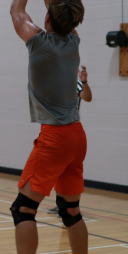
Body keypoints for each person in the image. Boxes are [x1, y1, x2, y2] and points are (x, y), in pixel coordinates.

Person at [9, 0, 97, 254]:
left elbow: (16, 10)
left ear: (47, 18)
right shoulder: (73, 40)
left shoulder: (37, 42)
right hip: (77, 137)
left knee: (23, 210)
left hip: (55, 139)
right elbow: (58, 10)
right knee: (71, 210)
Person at [47, 66, 92, 215]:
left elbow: (88, 97)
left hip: (70, 130)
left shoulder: (76, 83)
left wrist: (84, 82)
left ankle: (69, 207)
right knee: (58, 171)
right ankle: (61, 205)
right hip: (55, 131)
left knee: (69, 170)